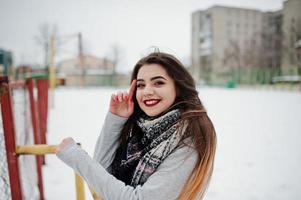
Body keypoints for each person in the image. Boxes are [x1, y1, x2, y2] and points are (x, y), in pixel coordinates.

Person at [55, 51, 217, 200]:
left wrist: (78, 159)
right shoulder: (143, 133)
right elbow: (103, 175)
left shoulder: (188, 138)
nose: (147, 91)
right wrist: (115, 119)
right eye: (141, 85)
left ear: (178, 88)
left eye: (158, 83)